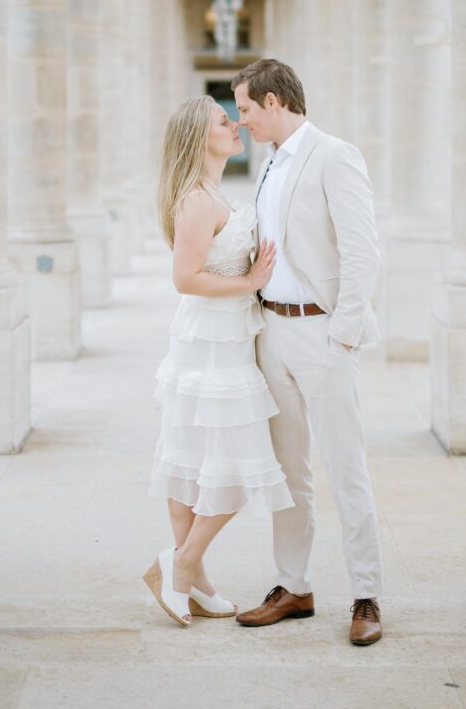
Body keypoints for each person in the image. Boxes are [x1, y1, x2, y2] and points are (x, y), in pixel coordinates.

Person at [232, 59, 384, 647]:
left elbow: (361, 251)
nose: (240, 120)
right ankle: (292, 585)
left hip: (323, 334)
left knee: (346, 467)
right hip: (272, 332)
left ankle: (366, 594)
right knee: (287, 470)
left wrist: (342, 334)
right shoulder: (268, 165)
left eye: (245, 108)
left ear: (273, 102)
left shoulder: (334, 155)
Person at [143, 95, 294, 627]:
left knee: (192, 460)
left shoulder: (212, 191)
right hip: (210, 341)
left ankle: (195, 579)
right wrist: (250, 281)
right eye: (223, 121)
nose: (235, 125)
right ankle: (181, 566)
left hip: (223, 336)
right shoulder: (196, 200)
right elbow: (185, 279)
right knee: (233, 464)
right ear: (198, 138)